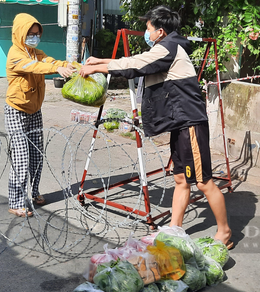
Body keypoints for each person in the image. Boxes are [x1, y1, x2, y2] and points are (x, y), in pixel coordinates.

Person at [79, 5, 233, 248]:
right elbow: (137, 60)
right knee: (181, 178)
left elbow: (135, 66)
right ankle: (174, 229)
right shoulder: (168, 46)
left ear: (160, 31)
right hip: (180, 124)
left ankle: (224, 232)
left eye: (148, 28)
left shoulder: (168, 48)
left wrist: (96, 67)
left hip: (189, 123)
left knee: (203, 181)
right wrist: (101, 60)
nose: (145, 32)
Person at [4, 13, 75, 217]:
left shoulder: (36, 52)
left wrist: (67, 65)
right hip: (16, 110)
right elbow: (36, 67)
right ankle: (16, 202)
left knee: (36, 156)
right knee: (21, 158)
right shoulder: (15, 54)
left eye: (37, 34)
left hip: (35, 110)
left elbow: (49, 60)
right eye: (30, 34)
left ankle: (34, 193)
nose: (34, 37)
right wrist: (56, 68)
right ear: (20, 33)